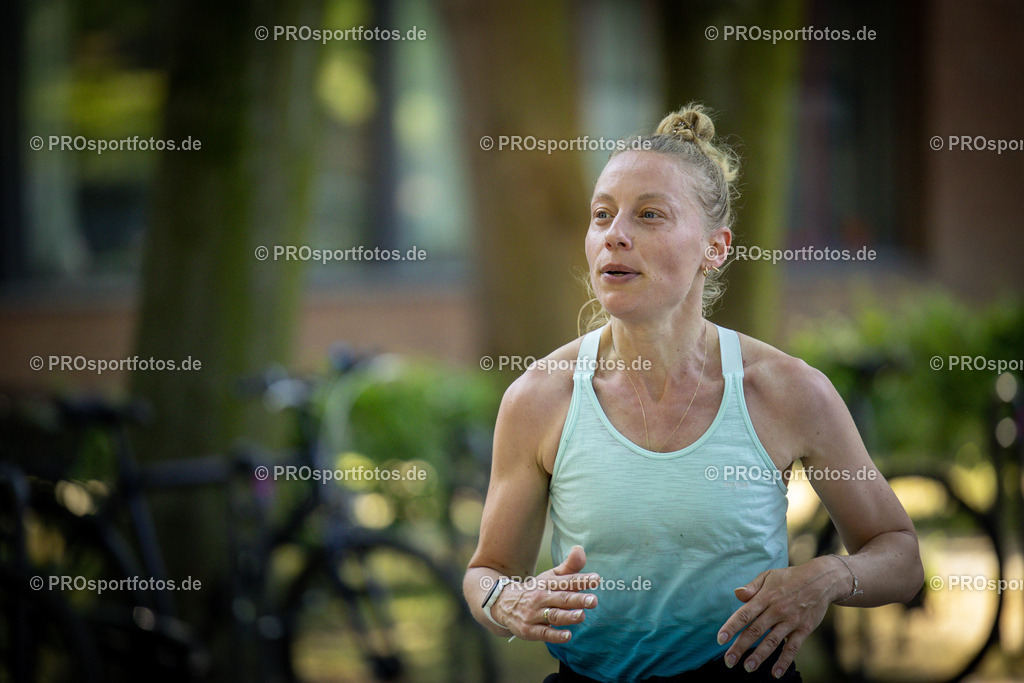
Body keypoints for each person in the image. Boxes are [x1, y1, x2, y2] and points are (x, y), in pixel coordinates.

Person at [465, 104, 924, 682]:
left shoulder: (785, 390)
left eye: (649, 215)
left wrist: (827, 577)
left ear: (716, 247)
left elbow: (900, 555)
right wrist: (505, 602)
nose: (616, 236)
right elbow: (487, 571)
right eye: (601, 216)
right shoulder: (539, 397)